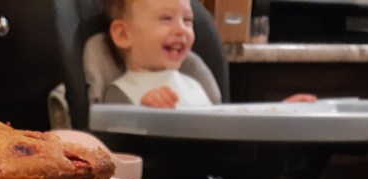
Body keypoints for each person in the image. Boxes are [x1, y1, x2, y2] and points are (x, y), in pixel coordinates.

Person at [104, 0, 316, 109]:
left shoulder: (195, 83)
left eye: (187, 20)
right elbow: (116, 145)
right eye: (166, 19)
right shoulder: (120, 93)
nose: (182, 30)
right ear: (123, 34)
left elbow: (225, 125)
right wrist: (142, 112)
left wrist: (278, 113)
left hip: (214, 174)